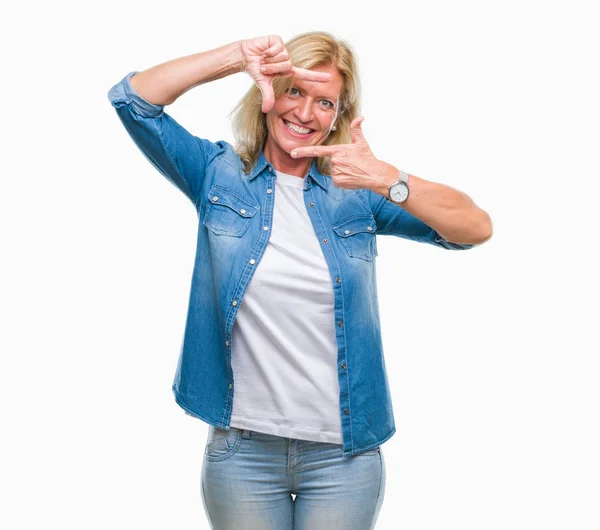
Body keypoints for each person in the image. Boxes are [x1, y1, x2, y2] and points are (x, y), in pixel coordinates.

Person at [108, 32, 492, 530]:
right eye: (293, 91)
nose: (306, 114)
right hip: (242, 452)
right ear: (267, 94)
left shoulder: (357, 195)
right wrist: (233, 57)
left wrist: (386, 178)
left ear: (338, 116)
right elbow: (133, 100)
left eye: (324, 101)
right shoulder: (217, 174)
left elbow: (473, 228)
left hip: (343, 457)